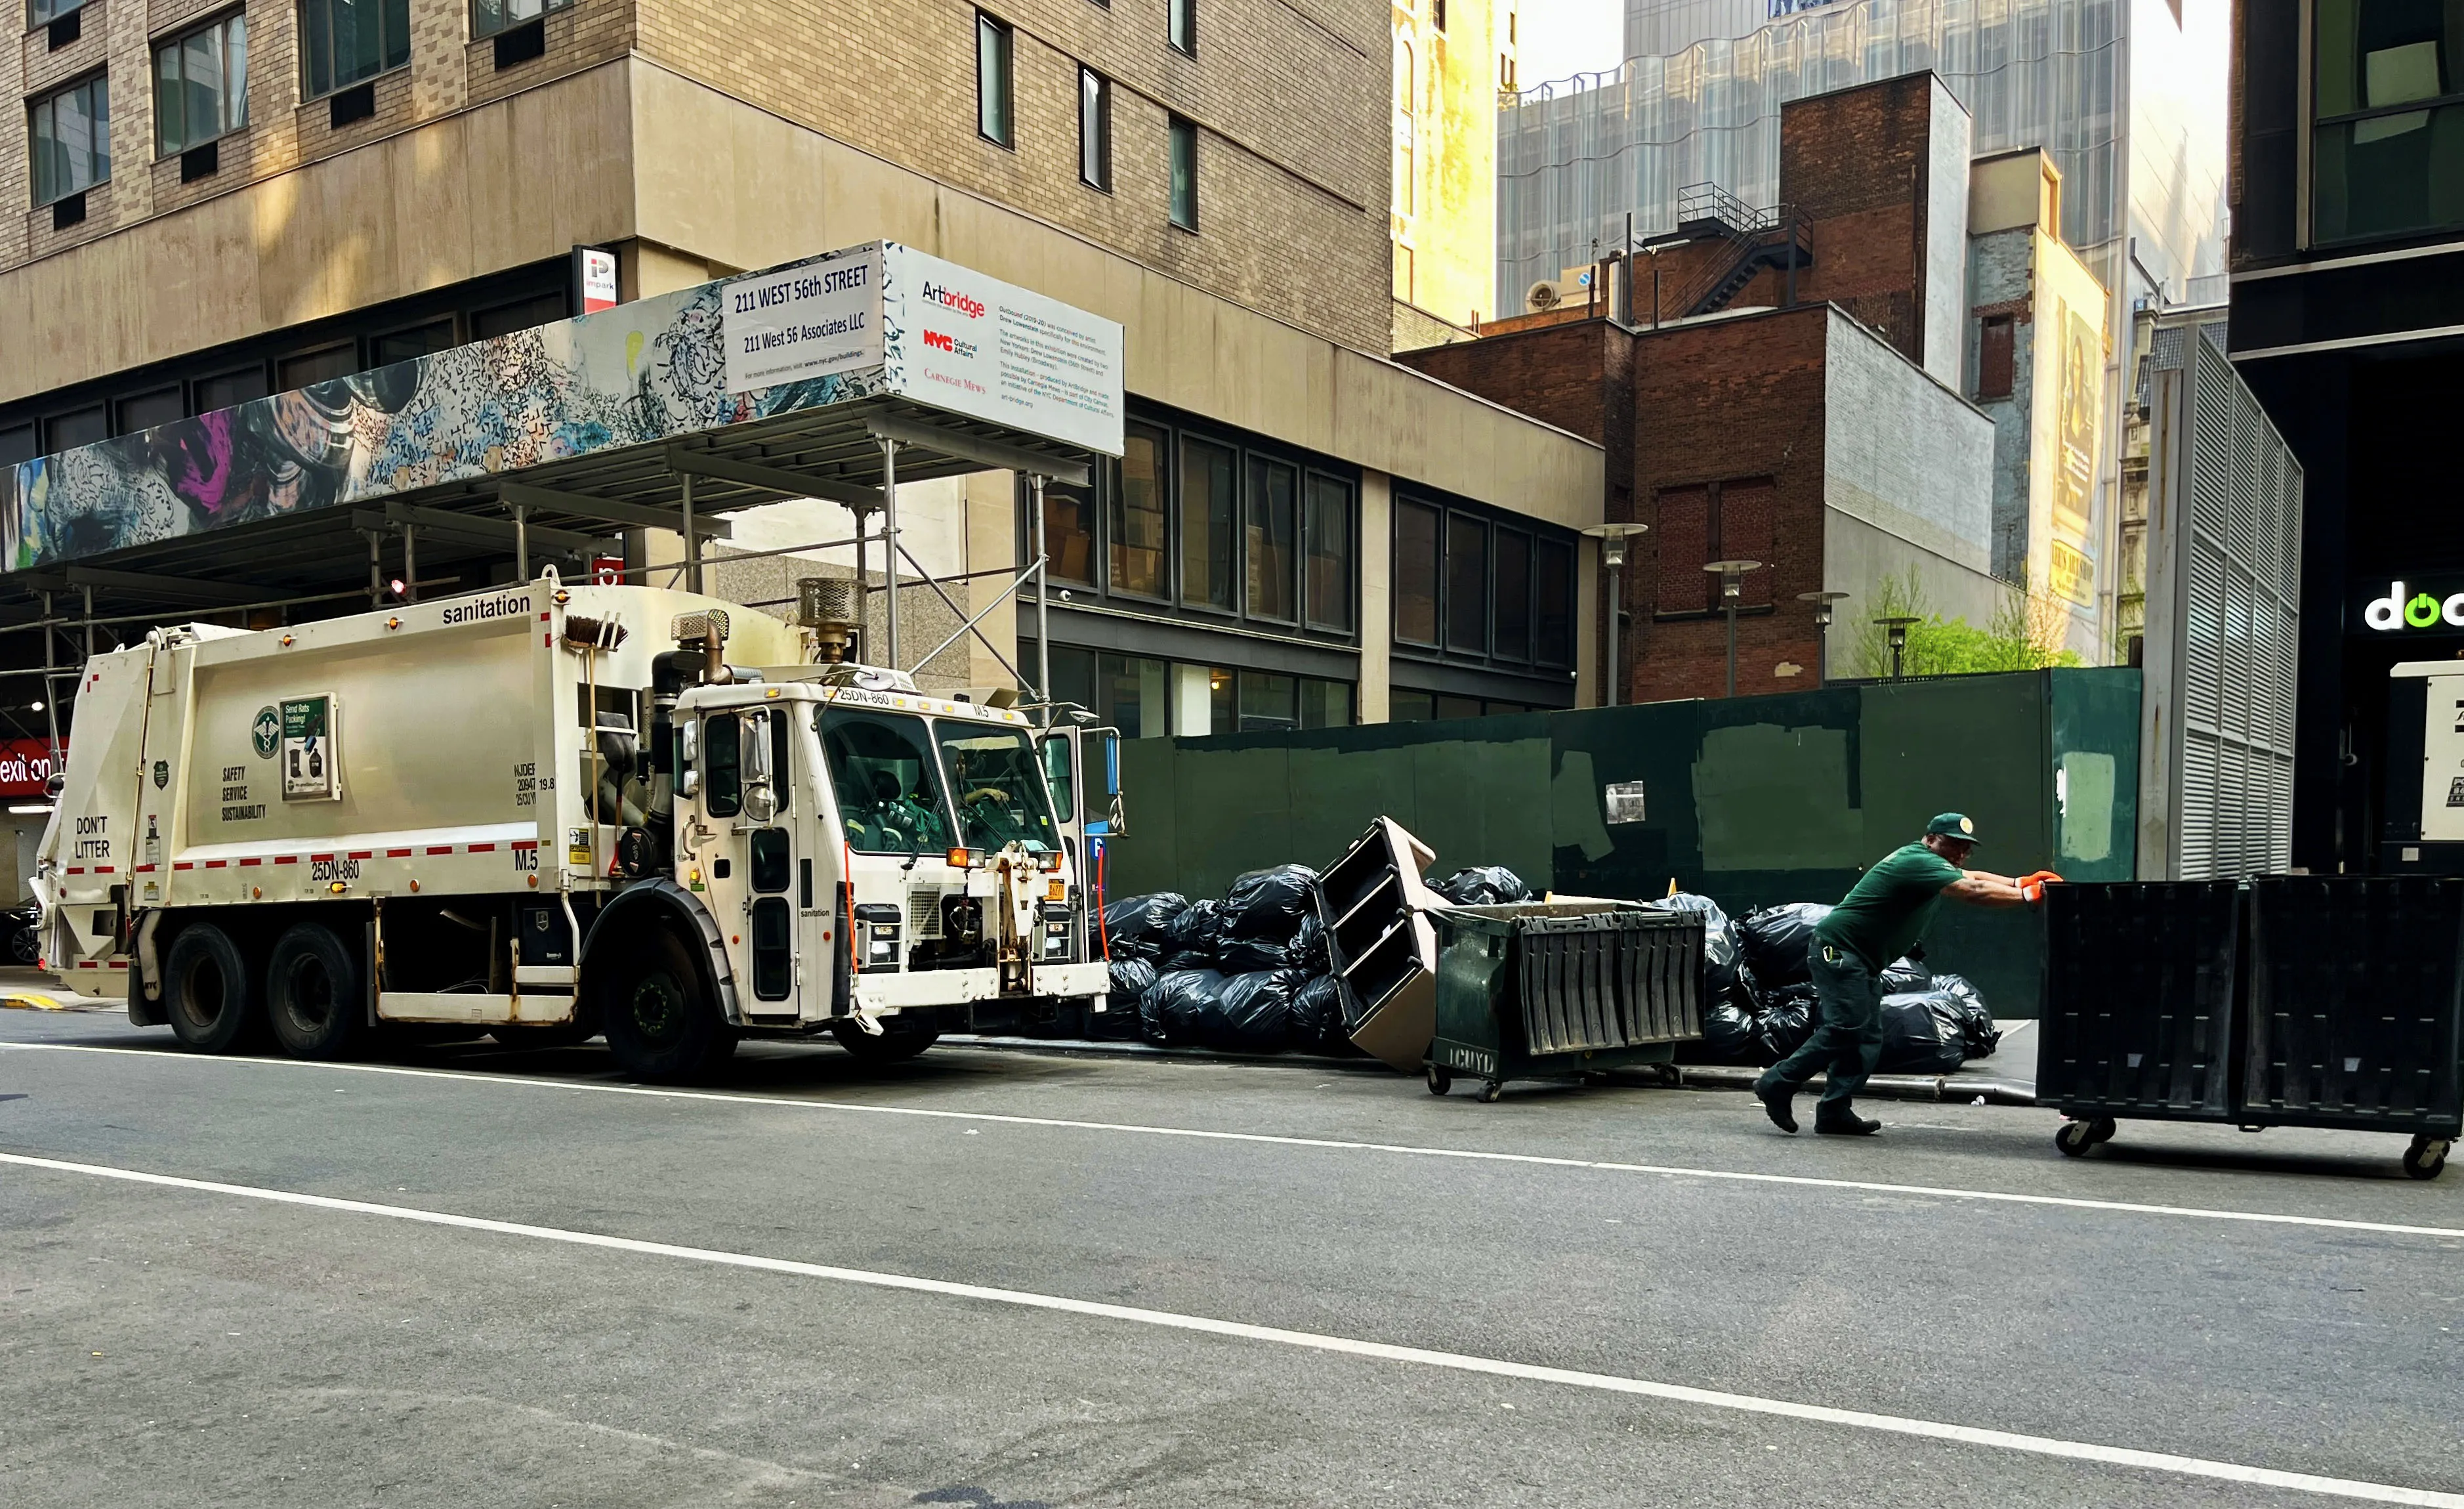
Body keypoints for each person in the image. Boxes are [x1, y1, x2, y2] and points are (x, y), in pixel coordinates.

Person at [1753, 813, 2053, 1137]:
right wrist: (2027, 896)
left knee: (1866, 1038)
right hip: (1838, 952)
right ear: (1931, 838)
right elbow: (1973, 889)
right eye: (1953, 845)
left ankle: (1834, 1112)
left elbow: (1973, 875)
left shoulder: (1933, 862)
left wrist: (2017, 882)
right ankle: (1776, 1084)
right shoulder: (1918, 860)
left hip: (1861, 959)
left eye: (1966, 848)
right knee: (1846, 1029)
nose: (1960, 853)